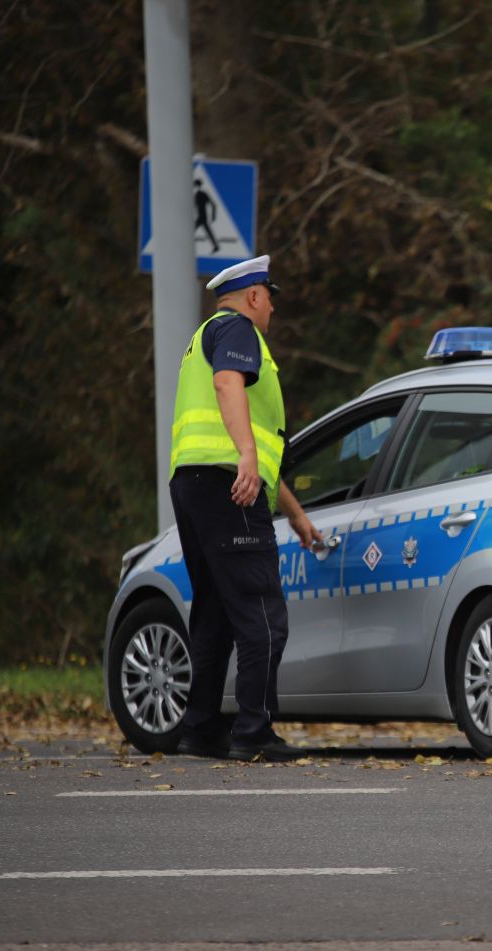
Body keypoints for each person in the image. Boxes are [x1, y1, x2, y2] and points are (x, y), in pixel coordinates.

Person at [167, 255, 321, 762]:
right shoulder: (238, 331)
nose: (272, 308)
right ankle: (254, 731)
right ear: (254, 296)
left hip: (194, 484)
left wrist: (293, 511)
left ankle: (201, 728)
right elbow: (228, 385)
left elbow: (252, 431)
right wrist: (247, 458)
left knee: (213, 613)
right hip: (228, 485)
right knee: (261, 613)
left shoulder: (202, 337)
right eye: (270, 297)